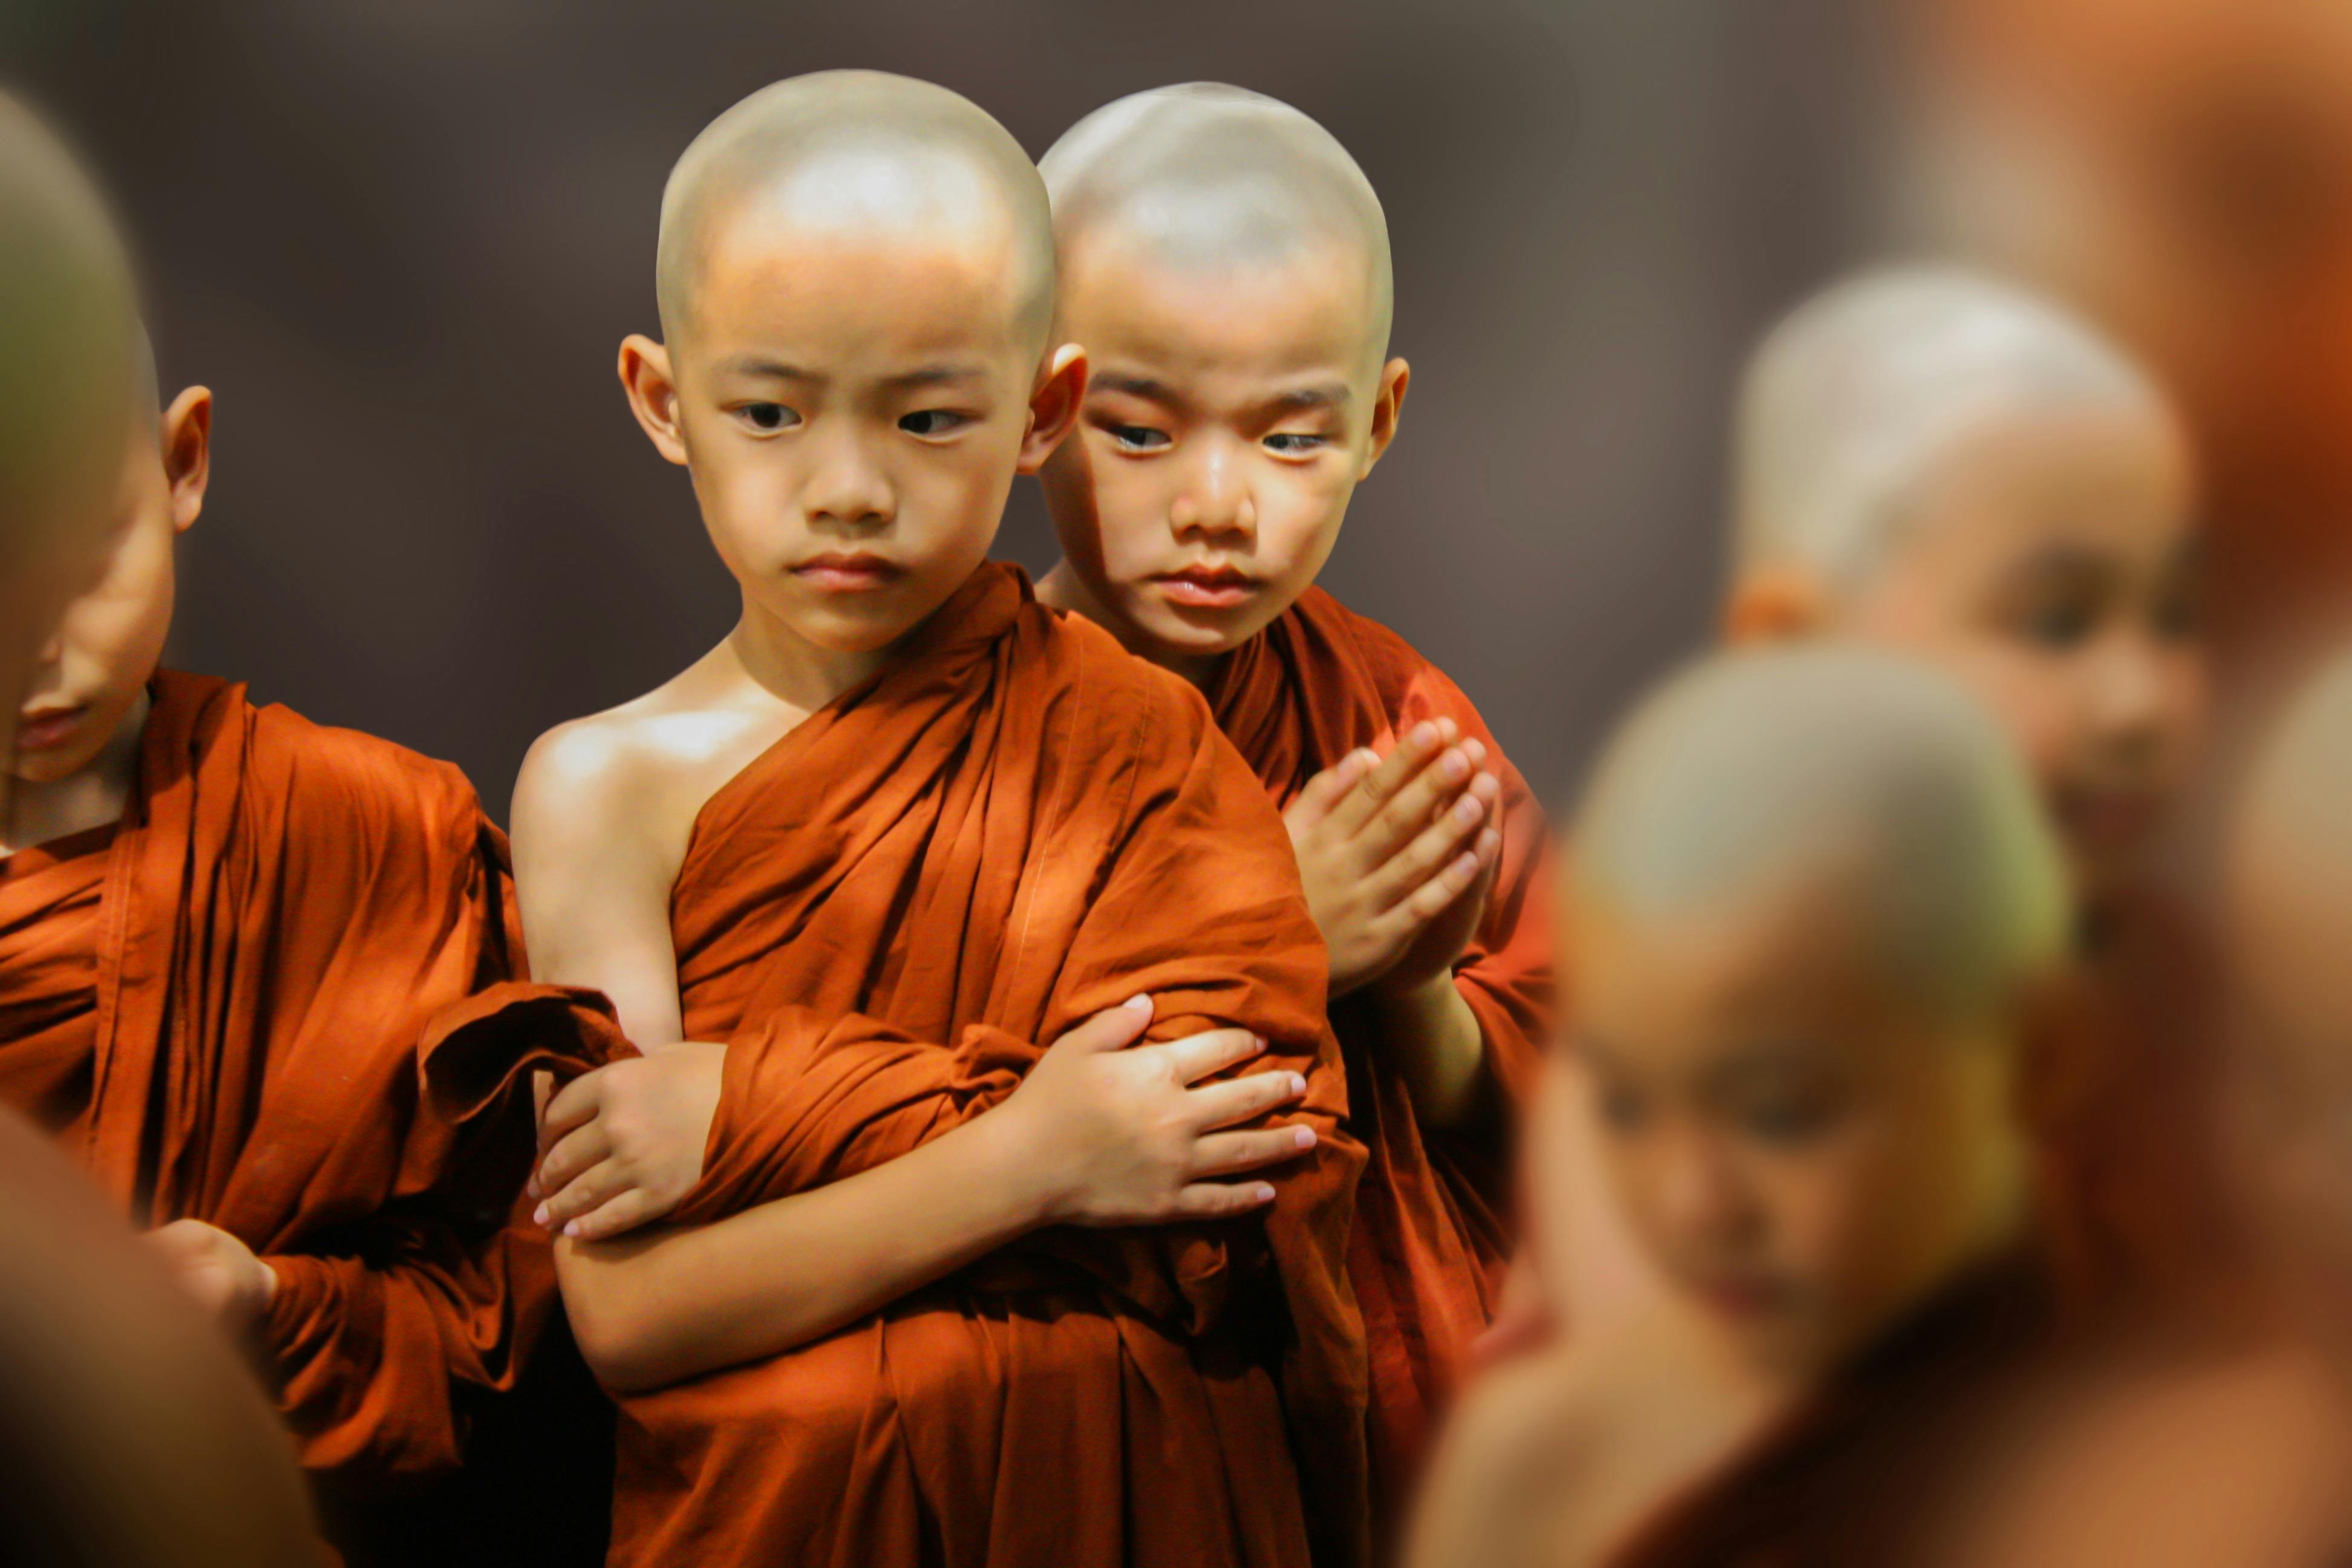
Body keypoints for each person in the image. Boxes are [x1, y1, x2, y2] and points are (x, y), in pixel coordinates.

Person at [511, 71, 1367, 1567]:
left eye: (927, 416)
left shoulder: (1141, 748)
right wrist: (1034, 1160)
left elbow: (1226, 1177)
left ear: (1041, 410)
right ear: (662, 400)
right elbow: (632, 1314)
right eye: (770, 411)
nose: (848, 489)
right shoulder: (603, 786)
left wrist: (746, 1112)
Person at [0, 327, 616, 1560]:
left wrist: (269, 1301)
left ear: (183, 462)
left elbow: (500, 1318)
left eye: (78, 558)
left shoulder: (370, 837)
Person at [1031, 84, 1553, 1526]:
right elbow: (893, 1110)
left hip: (1385, 1382)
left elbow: (1561, 1099)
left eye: (1289, 438)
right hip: (1067, 1406)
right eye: (1140, 432)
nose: (1218, 505)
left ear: (1380, 420)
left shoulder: (1392, 721)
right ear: (1034, 403)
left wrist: (1419, 997)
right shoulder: (941, 728)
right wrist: (1277, 931)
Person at [1411, 645, 2073, 1567]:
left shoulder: (2163, 1470)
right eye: (1627, 1110)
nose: (1686, 1204)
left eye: (1778, 1115)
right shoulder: (1544, 1465)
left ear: (2036, 1056)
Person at [1722, 264, 2227, 1315]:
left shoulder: (2208, 1007)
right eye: (2057, 622)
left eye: (2175, 615)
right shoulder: (1695, 1025)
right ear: (1794, 652)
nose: (2140, 705)